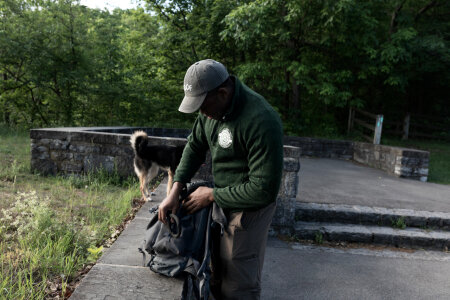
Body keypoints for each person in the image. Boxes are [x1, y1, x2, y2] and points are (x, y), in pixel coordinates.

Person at [158, 59, 283, 300]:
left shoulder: (261, 120)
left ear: (222, 93)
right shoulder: (211, 110)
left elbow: (263, 190)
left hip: (250, 210)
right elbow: (195, 146)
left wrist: (212, 194)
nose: (201, 113)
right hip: (222, 199)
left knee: (237, 285)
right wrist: (175, 189)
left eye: (202, 107)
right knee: (215, 274)